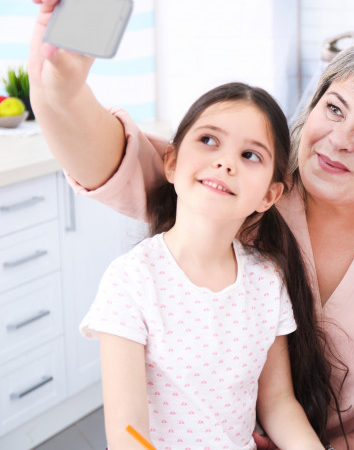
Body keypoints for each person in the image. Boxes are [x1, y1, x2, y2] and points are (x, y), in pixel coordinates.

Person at [30, 0, 354, 450]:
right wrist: (60, 88)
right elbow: (109, 157)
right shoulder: (236, 191)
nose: (339, 139)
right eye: (333, 109)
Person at [80, 82, 331, 450]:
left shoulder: (266, 282)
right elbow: (127, 434)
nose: (225, 162)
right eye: (209, 140)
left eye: (250, 155)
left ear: (269, 195)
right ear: (171, 161)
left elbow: (277, 403)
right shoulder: (132, 279)